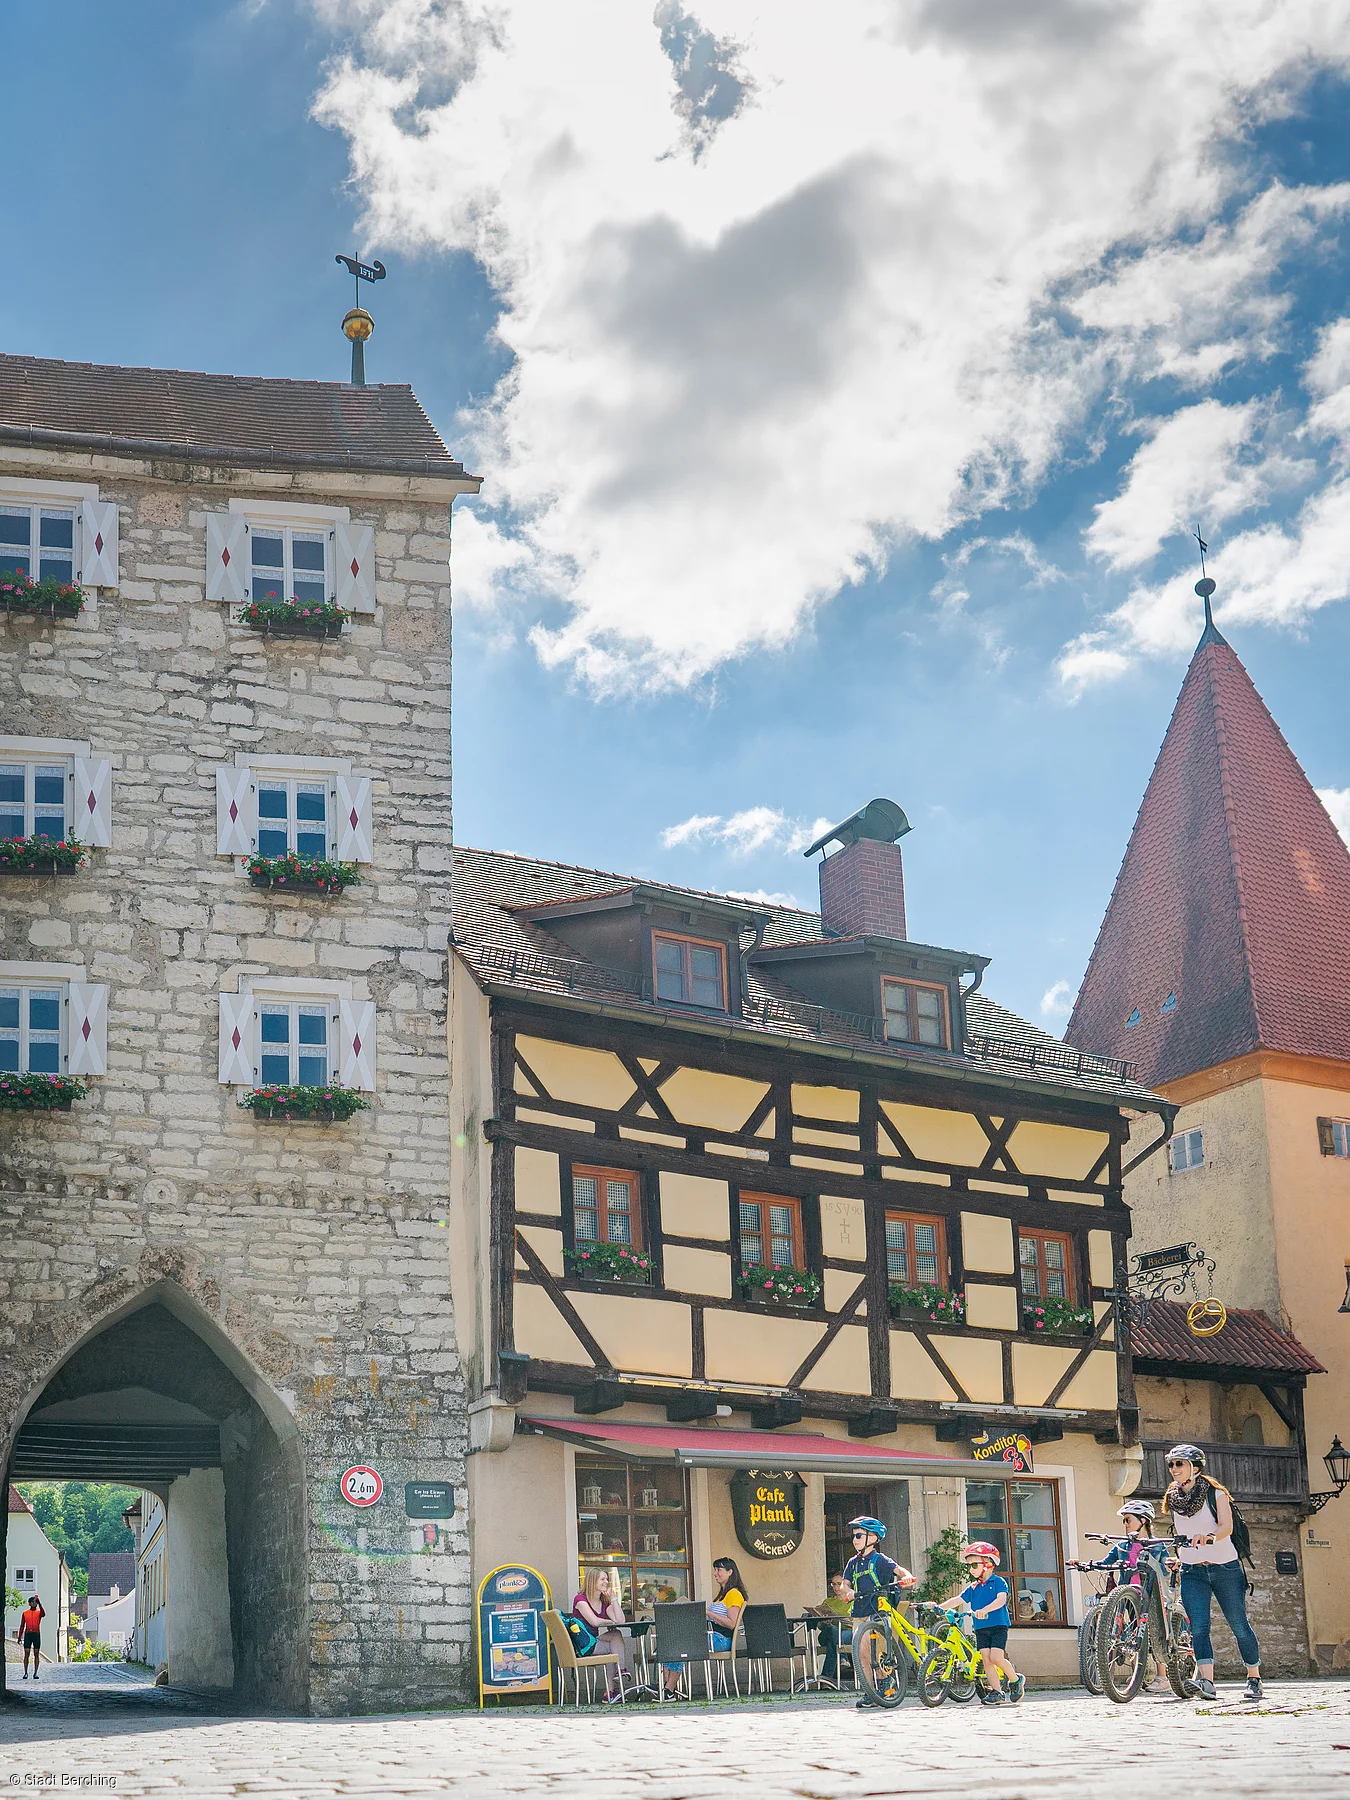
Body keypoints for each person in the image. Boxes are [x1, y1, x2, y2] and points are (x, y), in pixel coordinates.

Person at [1164, 1443, 1262, 1703]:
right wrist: (1179, 1557)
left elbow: (1226, 1527)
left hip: (1225, 1568)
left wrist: (1209, 1538)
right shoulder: (1173, 1498)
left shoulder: (1215, 1493)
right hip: (1192, 1571)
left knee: (1239, 1625)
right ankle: (1207, 1682)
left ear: (1195, 1468)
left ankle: (1254, 1677)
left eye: (1179, 1464)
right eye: (1172, 1464)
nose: (1174, 1469)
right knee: (1199, 1627)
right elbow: (1181, 1535)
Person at [1069, 1498, 1171, 1685]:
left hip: (1150, 1593)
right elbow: (1106, 1562)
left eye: (1128, 1519)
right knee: (1133, 1633)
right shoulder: (1123, 1545)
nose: (1125, 1524)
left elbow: (1164, 1567)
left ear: (1144, 1521)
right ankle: (1136, 1679)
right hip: (1127, 1594)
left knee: (1156, 1631)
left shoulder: (1156, 1545)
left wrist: (1170, 1565)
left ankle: (1162, 1677)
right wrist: (1086, 1564)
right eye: (1124, 1520)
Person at [842, 1516, 916, 1710]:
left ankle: (885, 1680)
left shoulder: (880, 1560)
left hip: (878, 1610)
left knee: (875, 1651)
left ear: (873, 1537)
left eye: (859, 1535)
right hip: (860, 1610)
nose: (855, 1539)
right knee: (862, 1654)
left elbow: (900, 1571)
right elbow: (845, 1582)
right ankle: (870, 1692)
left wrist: (907, 1578)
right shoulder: (853, 1562)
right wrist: (847, 1591)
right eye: (853, 1536)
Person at [659, 1556, 746, 1697]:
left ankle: (668, 1689)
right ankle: (667, 1688)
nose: (715, 1573)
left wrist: (707, 1613)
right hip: (711, 1635)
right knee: (671, 1641)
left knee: (680, 1644)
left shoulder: (734, 1594)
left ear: (730, 1572)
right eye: (714, 1570)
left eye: (719, 1570)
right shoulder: (721, 1596)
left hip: (721, 1639)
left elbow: (732, 1623)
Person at [955, 1542, 1025, 1705]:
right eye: (969, 1565)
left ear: (988, 1564)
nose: (971, 1569)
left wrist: (986, 1609)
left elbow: (1001, 1600)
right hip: (981, 1627)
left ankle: (1015, 1680)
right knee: (986, 1660)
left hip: (998, 1626)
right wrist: (937, 1605)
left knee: (996, 1657)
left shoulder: (999, 1582)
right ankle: (997, 1692)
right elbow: (957, 1599)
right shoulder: (973, 1587)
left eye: (974, 1564)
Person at [571, 1566, 629, 1703]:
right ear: (592, 1581)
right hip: (583, 1645)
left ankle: (610, 1690)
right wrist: (611, 1620)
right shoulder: (580, 1599)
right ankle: (618, 1674)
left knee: (616, 1634)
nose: (606, 1582)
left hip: (594, 1642)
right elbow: (594, 1621)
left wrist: (614, 1599)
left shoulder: (603, 1602)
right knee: (613, 1646)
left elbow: (621, 1620)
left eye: (607, 1579)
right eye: (602, 1579)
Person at [806, 1572, 856, 1684]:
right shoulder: (828, 1602)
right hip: (828, 1634)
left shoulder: (853, 1600)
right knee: (832, 1631)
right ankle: (843, 1658)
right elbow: (820, 1626)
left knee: (833, 1645)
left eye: (839, 1584)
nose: (836, 1587)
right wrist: (824, 1621)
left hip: (848, 1632)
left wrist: (849, 1621)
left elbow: (857, 1621)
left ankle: (825, 1681)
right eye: (833, 1584)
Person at [20, 1594, 45, 1680]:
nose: (35, 1603)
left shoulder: (39, 1612)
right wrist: (19, 1636)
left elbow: (43, 1614)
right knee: (26, 1654)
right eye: (33, 1602)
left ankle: (35, 1673)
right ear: (29, 1603)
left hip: (36, 1634)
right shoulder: (25, 1613)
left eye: (35, 1602)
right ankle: (26, 1673)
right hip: (28, 1634)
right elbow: (22, 1625)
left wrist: (40, 1603)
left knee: (36, 1654)